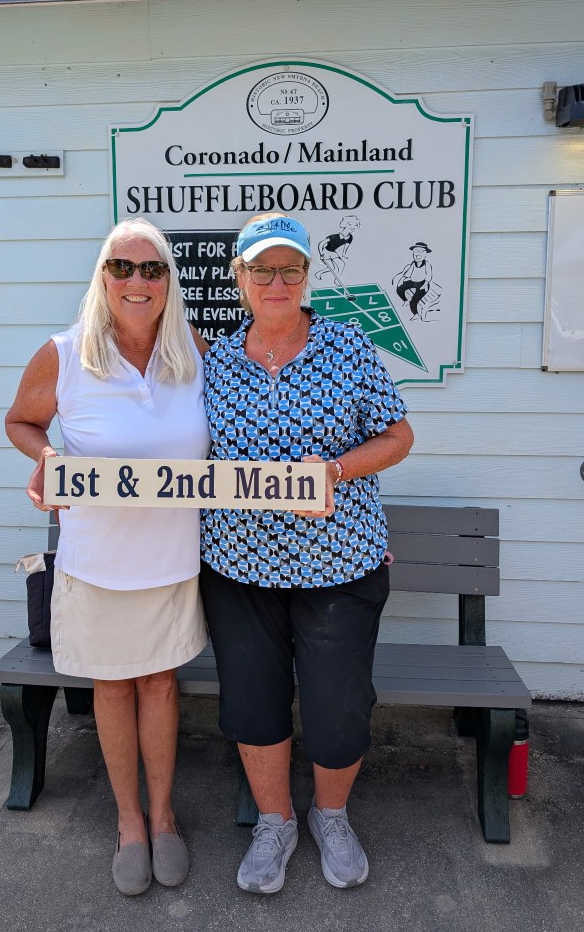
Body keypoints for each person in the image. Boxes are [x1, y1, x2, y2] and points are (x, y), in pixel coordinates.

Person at [200, 213, 414, 894]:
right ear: (239, 278)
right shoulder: (214, 361)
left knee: (338, 707)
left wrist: (336, 471)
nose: (277, 281)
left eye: (289, 268)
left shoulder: (347, 346)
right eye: (261, 269)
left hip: (338, 566)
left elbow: (398, 436)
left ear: (305, 275)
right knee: (252, 703)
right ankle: (275, 821)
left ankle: (330, 815)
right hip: (238, 567)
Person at [4, 217, 209, 897]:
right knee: (114, 687)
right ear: (102, 277)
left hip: (171, 560)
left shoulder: (193, 352)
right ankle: (129, 821)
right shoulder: (64, 354)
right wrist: (48, 457)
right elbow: (20, 421)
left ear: (168, 281)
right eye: (121, 267)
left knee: (159, 685)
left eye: (152, 269)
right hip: (96, 561)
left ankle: (163, 814)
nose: (136, 281)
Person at [393, 241, 433, 318]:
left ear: (425, 254)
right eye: (416, 251)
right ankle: (406, 300)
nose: (418, 254)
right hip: (413, 282)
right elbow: (408, 273)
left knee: (414, 301)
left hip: (423, 283)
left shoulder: (427, 264)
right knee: (399, 288)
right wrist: (401, 280)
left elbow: (429, 275)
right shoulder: (413, 263)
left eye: (421, 251)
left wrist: (425, 284)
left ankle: (416, 314)